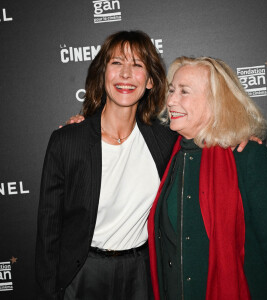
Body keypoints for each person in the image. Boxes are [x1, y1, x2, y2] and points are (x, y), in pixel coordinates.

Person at [35, 30, 178, 300]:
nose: (125, 74)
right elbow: (48, 230)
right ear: (103, 74)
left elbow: (212, 142)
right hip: (82, 274)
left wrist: (244, 137)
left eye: (137, 65)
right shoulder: (68, 141)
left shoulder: (166, 141)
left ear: (149, 81)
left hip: (142, 274)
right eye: (116, 63)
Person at [147, 56, 267, 300]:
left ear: (216, 101)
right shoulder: (167, 154)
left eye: (184, 92)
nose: (171, 100)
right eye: (172, 90)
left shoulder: (248, 157)